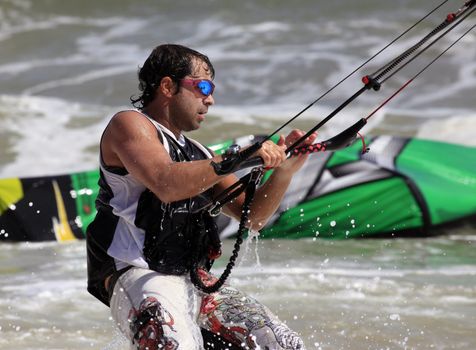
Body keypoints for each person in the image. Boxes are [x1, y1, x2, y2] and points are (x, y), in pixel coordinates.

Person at [86, 43, 316, 350]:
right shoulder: (129, 124)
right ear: (167, 86)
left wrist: (284, 172)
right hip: (137, 273)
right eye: (203, 86)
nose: (210, 99)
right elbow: (165, 182)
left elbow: (253, 217)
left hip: (192, 280)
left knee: (284, 345)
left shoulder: (199, 154)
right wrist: (239, 157)